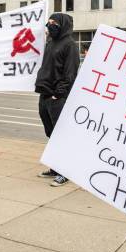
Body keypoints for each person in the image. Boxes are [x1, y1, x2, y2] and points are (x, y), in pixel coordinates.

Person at [35, 13, 80, 187]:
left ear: (63, 25)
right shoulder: (50, 43)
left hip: (58, 97)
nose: (50, 24)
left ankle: (65, 171)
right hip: (44, 94)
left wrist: (58, 94)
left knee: (61, 136)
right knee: (51, 134)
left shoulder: (70, 45)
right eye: (49, 22)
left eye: (54, 22)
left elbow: (70, 73)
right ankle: (55, 167)